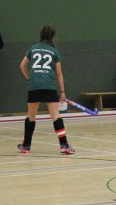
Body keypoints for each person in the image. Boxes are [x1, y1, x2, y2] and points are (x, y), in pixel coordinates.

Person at [17, 25, 74, 155]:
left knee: (31, 116)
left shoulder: (33, 48)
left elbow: (22, 65)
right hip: (49, 86)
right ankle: (64, 145)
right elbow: (59, 74)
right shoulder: (54, 51)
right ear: (52, 37)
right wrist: (63, 92)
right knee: (56, 116)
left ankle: (26, 146)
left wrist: (29, 78)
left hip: (34, 86)